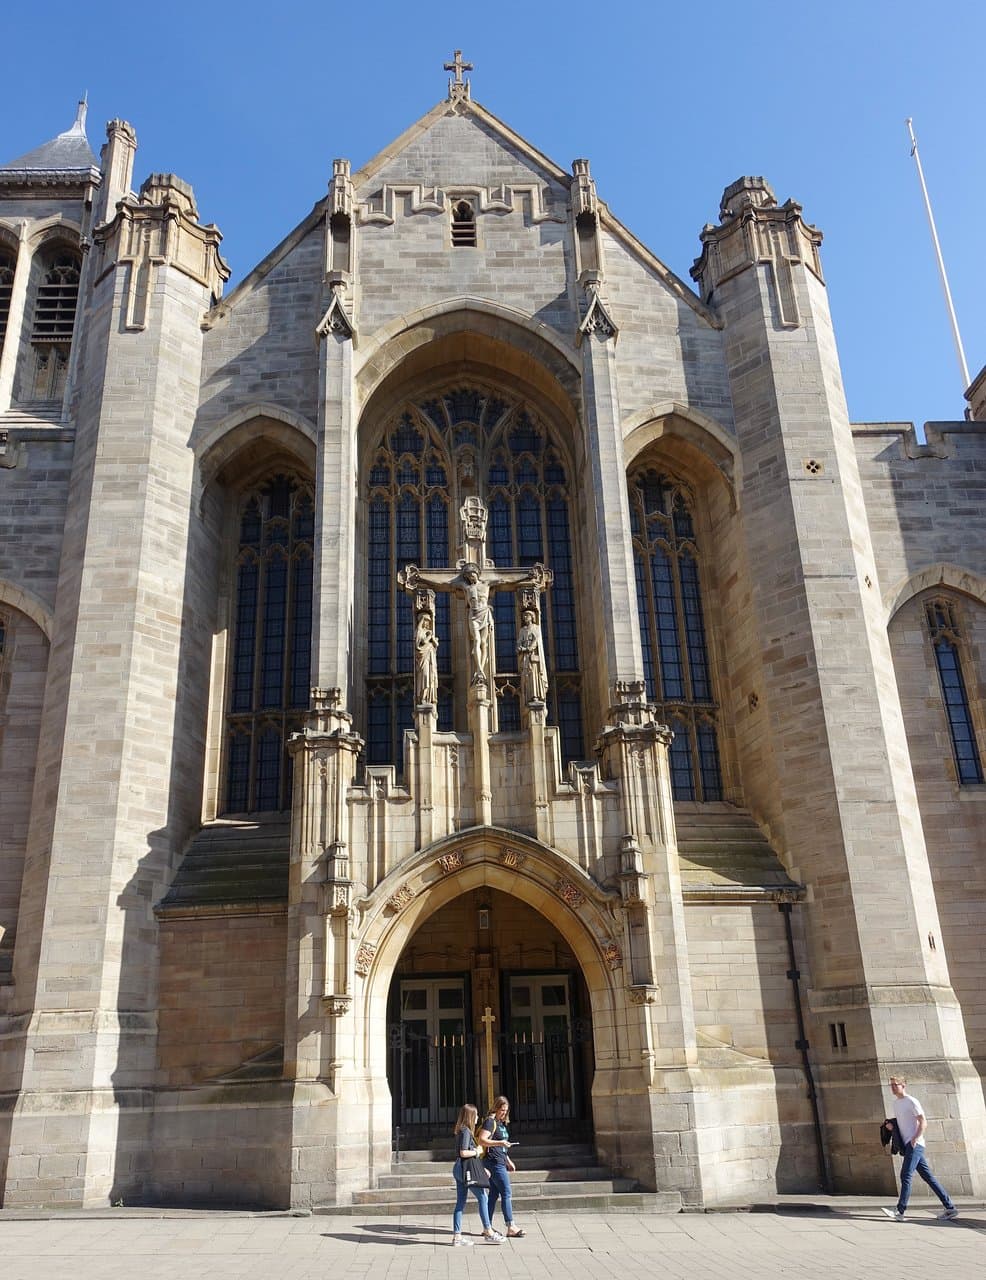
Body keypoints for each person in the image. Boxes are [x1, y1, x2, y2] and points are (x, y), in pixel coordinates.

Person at [882, 1075, 958, 1221]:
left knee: (906, 1175)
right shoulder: (896, 1103)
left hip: (915, 1144)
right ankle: (950, 1208)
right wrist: (892, 1127)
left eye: (895, 1084)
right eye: (891, 1085)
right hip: (908, 1145)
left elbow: (923, 1122)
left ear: (903, 1085)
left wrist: (915, 1138)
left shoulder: (911, 1101)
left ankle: (900, 1211)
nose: (892, 1087)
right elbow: (903, 1122)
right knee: (928, 1177)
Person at [452, 1103, 503, 1246]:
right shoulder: (466, 1131)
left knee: (460, 1203)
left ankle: (457, 1236)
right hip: (464, 1169)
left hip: (459, 1168)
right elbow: (464, 1153)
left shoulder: (460, 1130)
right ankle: (488, 1230)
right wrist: (477, 1151)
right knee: (482, 1196)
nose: (478, 1118)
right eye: (476, 1115)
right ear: (470, 1116)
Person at [480, 1096, 525, 1238]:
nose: (504, 1113)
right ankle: (510, 1225)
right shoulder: (490, 1122)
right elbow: (482, 1139)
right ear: (496, 1108)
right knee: (506, 1192)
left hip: (500, 1160)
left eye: (506, 1111)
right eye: (502, 1110)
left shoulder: (500, 1123)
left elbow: (501, 1145)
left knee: (493, 1194)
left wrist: (507, 1159)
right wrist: (500, 1144)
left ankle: (487, 1227)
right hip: (493, 1162)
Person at [517, 609, 547, 705]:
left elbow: (536, 641)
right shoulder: (522, 630)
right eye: (524, 616)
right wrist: (520, 647)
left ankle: (535, 695)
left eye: (527, 615)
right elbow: (519, 641)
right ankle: (528, 696)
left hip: (532, 656)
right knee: (527, 676)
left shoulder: (536, 628)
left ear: (532, 617)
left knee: (534, 675)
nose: (525, 617)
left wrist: (527, 648)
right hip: (525, 657)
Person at [414, 610, 439, 705]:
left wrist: (433, 639)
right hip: (423, 658)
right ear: (422, 621)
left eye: (429, 621)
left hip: (430, 658)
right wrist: (430, 637)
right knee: (425, 677)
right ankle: (423, 698)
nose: (428, 623)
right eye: (426, 620)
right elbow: (421, 643)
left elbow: (436, 644)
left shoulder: (429, 633)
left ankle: (429, 697)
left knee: (430, 677)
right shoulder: (419, 631)